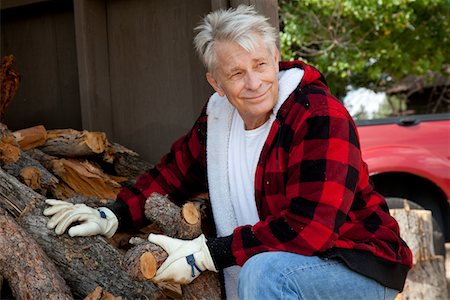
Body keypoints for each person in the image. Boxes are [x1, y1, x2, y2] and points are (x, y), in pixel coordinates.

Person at [44, 5, 412, 300]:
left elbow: (310, 229)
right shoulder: (218, 118)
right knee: (264, 271)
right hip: (290, 266)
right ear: (216, 83)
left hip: (356, 264)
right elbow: (171, 174)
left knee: (264, 273)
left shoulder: (317, 115)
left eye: (260, 66)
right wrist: (113, 215)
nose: (254, 84)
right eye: (236, 74)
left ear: (276, 59)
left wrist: (208, 254)